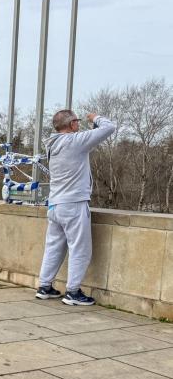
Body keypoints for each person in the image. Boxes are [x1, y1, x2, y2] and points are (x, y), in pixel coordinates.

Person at [36, 110, 116, 305]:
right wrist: (95, 118)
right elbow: (110, 127)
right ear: (71, 124)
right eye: (77, 122)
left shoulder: (52, 144)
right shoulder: (75, 141)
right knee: (80, 249)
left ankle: (44, 286)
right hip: (73, 204)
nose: (79, 125)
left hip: (55, 204)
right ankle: (73, 292)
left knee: (53, 247)